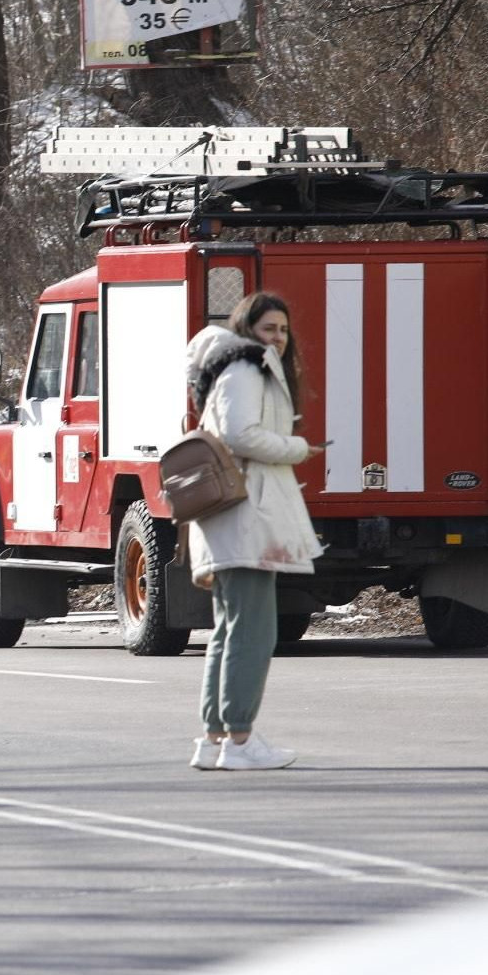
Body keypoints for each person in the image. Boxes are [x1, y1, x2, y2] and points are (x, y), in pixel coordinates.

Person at [183, 291, 326, 770]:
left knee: (231, 630)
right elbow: (240, 435)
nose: (279, 338)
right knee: (253, 633)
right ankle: (240, 741)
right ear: (248, 330)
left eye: (284, 329)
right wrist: (295, 447)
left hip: (235, 518)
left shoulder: (236, 367)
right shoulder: (245, 367)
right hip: (248, 518)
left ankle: (214, 738)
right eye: (269, 329)